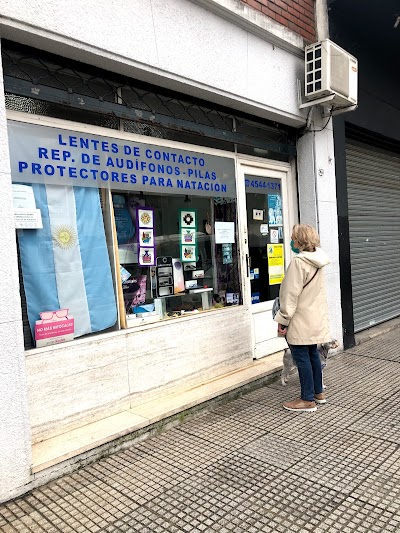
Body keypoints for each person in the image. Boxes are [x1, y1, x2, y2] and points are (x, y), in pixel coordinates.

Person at [274, 224, 331, 412]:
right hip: (313, 317)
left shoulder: (299, 262)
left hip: (299, 318)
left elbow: (290, 295)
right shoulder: (318, 261)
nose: (291, 240)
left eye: (293, 237)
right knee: (312, 354)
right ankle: (318, 392)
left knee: (301, 357)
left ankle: (307, 400)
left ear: (300, 241)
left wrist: (283, 319)